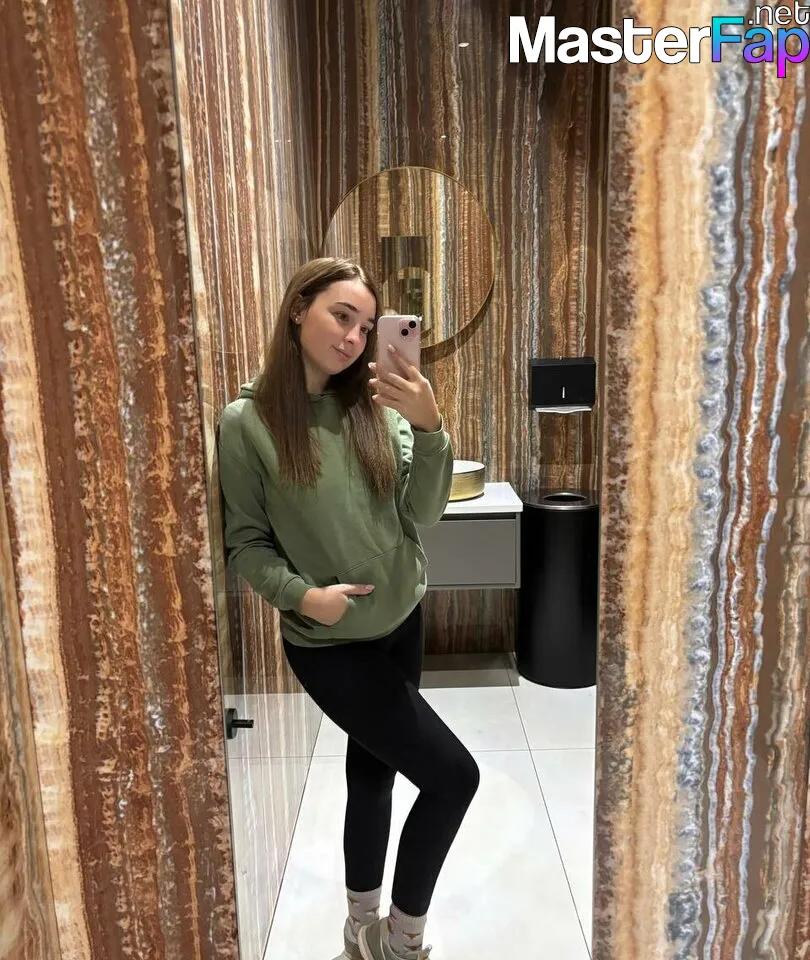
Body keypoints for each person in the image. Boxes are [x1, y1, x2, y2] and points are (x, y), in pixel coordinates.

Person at [217, 258, 480, 960]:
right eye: (342, 316)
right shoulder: (248, 424)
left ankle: (361, 927)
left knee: (373, 770)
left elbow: (424, 512)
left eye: (366, 326)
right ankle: (402, 943)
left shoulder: (374, 406)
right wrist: (304, 597)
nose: (355, 338)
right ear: (297, 308)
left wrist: (430, 427)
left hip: (401, 618)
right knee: (455, 778)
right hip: (329, 642)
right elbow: (245, 543)